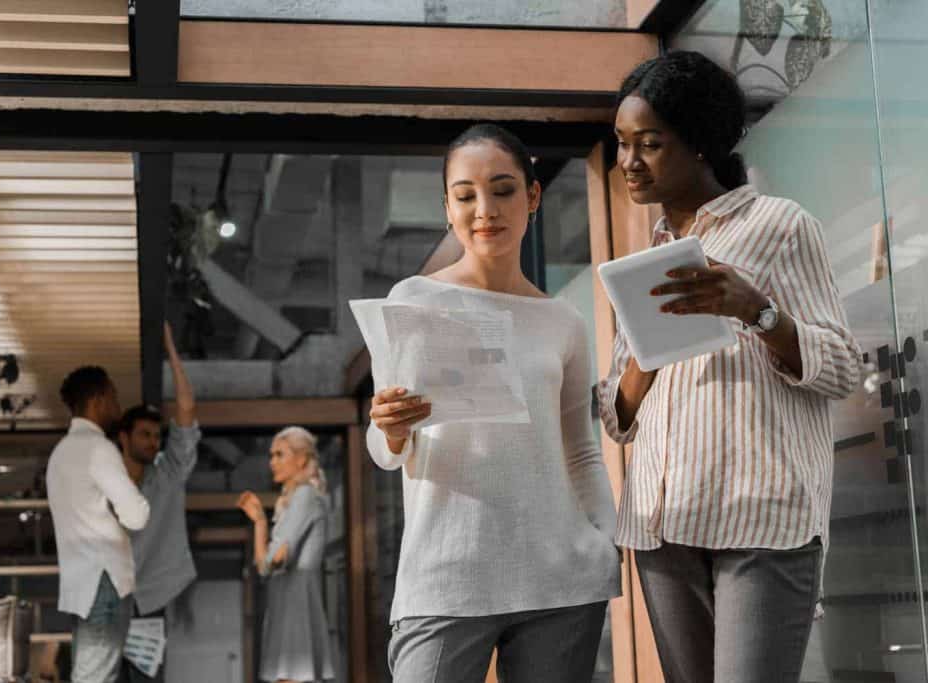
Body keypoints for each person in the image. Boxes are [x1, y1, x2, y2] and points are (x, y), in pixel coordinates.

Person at [598, 50, 862, 683]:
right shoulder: (649, 254)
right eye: (622, 144)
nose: (628, 162)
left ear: (700, 144)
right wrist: (642, 358)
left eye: (649, 144)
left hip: (760, 521)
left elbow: (843, 370)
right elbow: (617, 417)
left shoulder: (780, 225)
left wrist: (759, 311)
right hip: (663, 528)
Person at [366, 123, 620, 683]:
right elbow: (388, 450)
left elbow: (582, 452)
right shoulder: (414, 299)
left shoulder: (564, 321)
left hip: (561, 579)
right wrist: (388, 428)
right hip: (446, 574)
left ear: (532, 196)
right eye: (466, 196)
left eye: (503, 189)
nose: (486, 209)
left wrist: (607, 542)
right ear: (448, 208)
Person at [47, 366, 150, 683]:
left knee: (89, 674)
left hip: (80, 585)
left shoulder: (60, 454)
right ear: (98, 399)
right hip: (104, 581)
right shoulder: (98, 449)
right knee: (96, 677)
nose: (117, 405)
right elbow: (137, 514)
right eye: (114, 396)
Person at [118, 322, 200, 682]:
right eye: (144, 435)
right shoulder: (104, 482)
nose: (153, 442)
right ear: (125, 438)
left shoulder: (167, 474)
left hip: (149, 600)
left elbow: (185, 409)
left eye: (156, 435)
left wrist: (170, 348)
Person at [238, 427, 335, 683]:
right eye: (271, 455)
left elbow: (274, 561)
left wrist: (262, 530)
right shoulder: (296, 500)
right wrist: (259, 521)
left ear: (302, 458)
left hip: (296, 601)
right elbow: (266, 566)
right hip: (286, 599)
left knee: (291, 678)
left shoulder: (305, 496)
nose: (272, 462)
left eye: (280, 454)